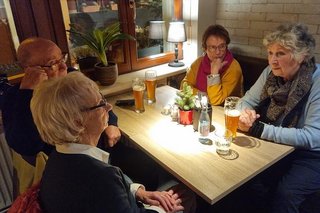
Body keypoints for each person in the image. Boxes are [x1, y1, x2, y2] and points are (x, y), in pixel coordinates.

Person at [31, 71, 186, 212]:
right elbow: (105, 186)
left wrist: (137, 191)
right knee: (186, 196)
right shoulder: (102, 177)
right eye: (100, 104)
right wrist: (163, 210)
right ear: (78, 122)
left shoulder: (55, 159)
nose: (109, 106)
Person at [238, 23, 320, 212]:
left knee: (286, 192)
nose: (272, 60)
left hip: (311, 155)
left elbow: (313, 137)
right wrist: (246, 113)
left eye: (280, 54)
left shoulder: (316, 80)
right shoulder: (270, 74)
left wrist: (259, 129)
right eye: (270, 53)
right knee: (249, 177)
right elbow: (245, 101)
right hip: (278, 147)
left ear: (301, 56)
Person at [1, 37, 121, 156]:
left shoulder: (71, 75)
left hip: (101, 150)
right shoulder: (16, 96)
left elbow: (98, 103)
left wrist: (112, 123)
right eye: (53, 63)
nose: (63, 67)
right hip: (69, 164)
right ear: (29, 70)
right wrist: (27, 94)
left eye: (62, 58)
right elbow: (25, 147)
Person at [181, 24, 243, 105]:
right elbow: (184, 87)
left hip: (225, 111)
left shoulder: (234, 68)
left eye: (222, 46)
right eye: (213, 47)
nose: (218, 52)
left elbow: (215, 100)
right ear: (205, 48)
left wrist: (214, 74)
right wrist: (202, 95)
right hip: (200, 107)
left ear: (226, 46)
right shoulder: (198, 62)